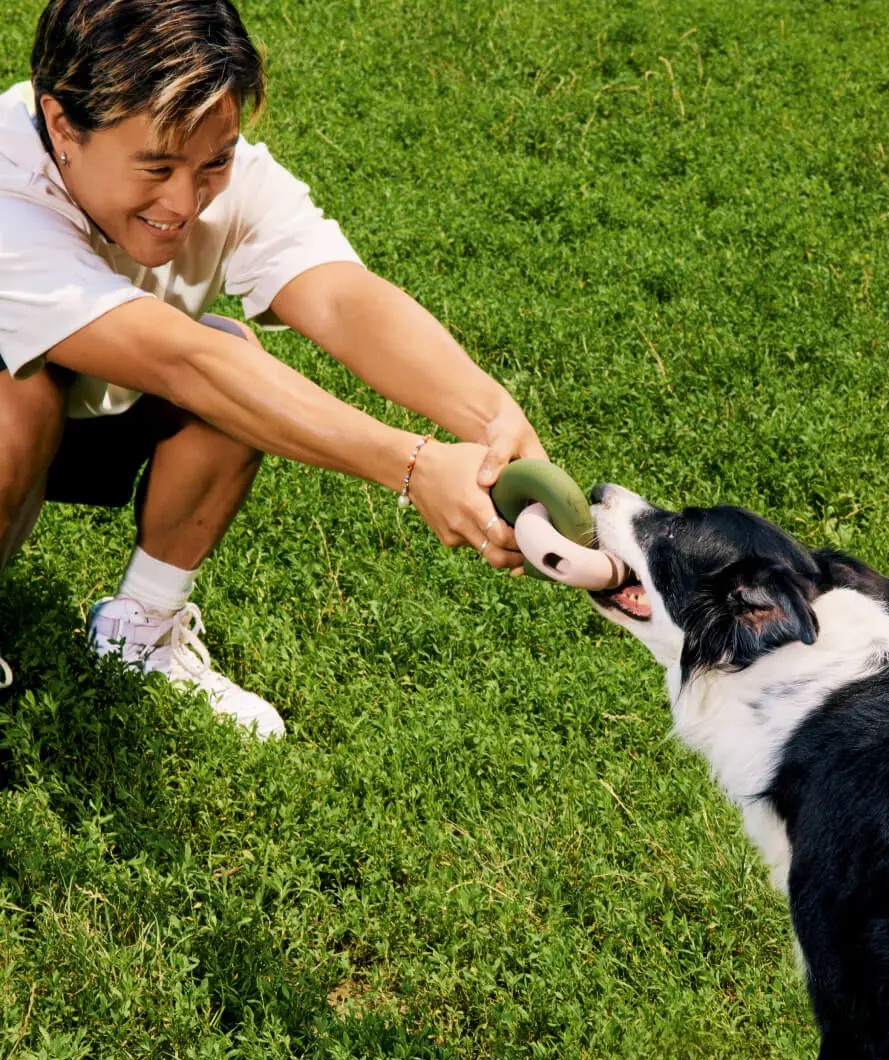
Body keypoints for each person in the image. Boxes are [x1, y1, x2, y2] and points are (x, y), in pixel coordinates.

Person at [0, 0, 547, 737]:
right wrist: (415, 467)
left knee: (238, 370)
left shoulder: (210, 167)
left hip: (92, 405)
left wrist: (490, 415)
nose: (185, 201)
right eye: (156, 166)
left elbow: (342, 299)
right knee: (19, 399)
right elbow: (185, 362)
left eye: (214, 162)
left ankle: (138, 633)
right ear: (62, 125)